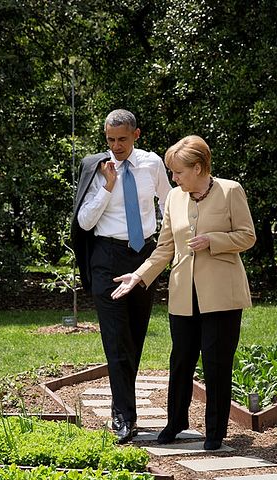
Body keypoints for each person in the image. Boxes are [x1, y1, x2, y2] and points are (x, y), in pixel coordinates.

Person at [111, 135, 255, 450]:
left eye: (178, 172)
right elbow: (164, 249)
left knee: (217, 363)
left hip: (221, 295)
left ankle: (215, 431)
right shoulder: (175, 198)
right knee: (180, 362)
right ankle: (175, 423)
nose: (173, 179)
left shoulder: (231, 191)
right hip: (182, 295)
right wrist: (138, 275)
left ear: (199, 167)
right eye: (172, 173)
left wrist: (214, 240)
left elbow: (247, 236)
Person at [71, 109, 171, 443]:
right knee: (115, 340)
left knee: (134, 338)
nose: (116, 146)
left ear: (136, 135)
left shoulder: (152, 164)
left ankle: (124, 407)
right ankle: (124, 416)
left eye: (122, 139)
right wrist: (108, 187)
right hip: (106, 257)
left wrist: (168, 240)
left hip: (142, 258)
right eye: (110, 139)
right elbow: (84, 222)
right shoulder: (96, 169)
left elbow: (169, 202)